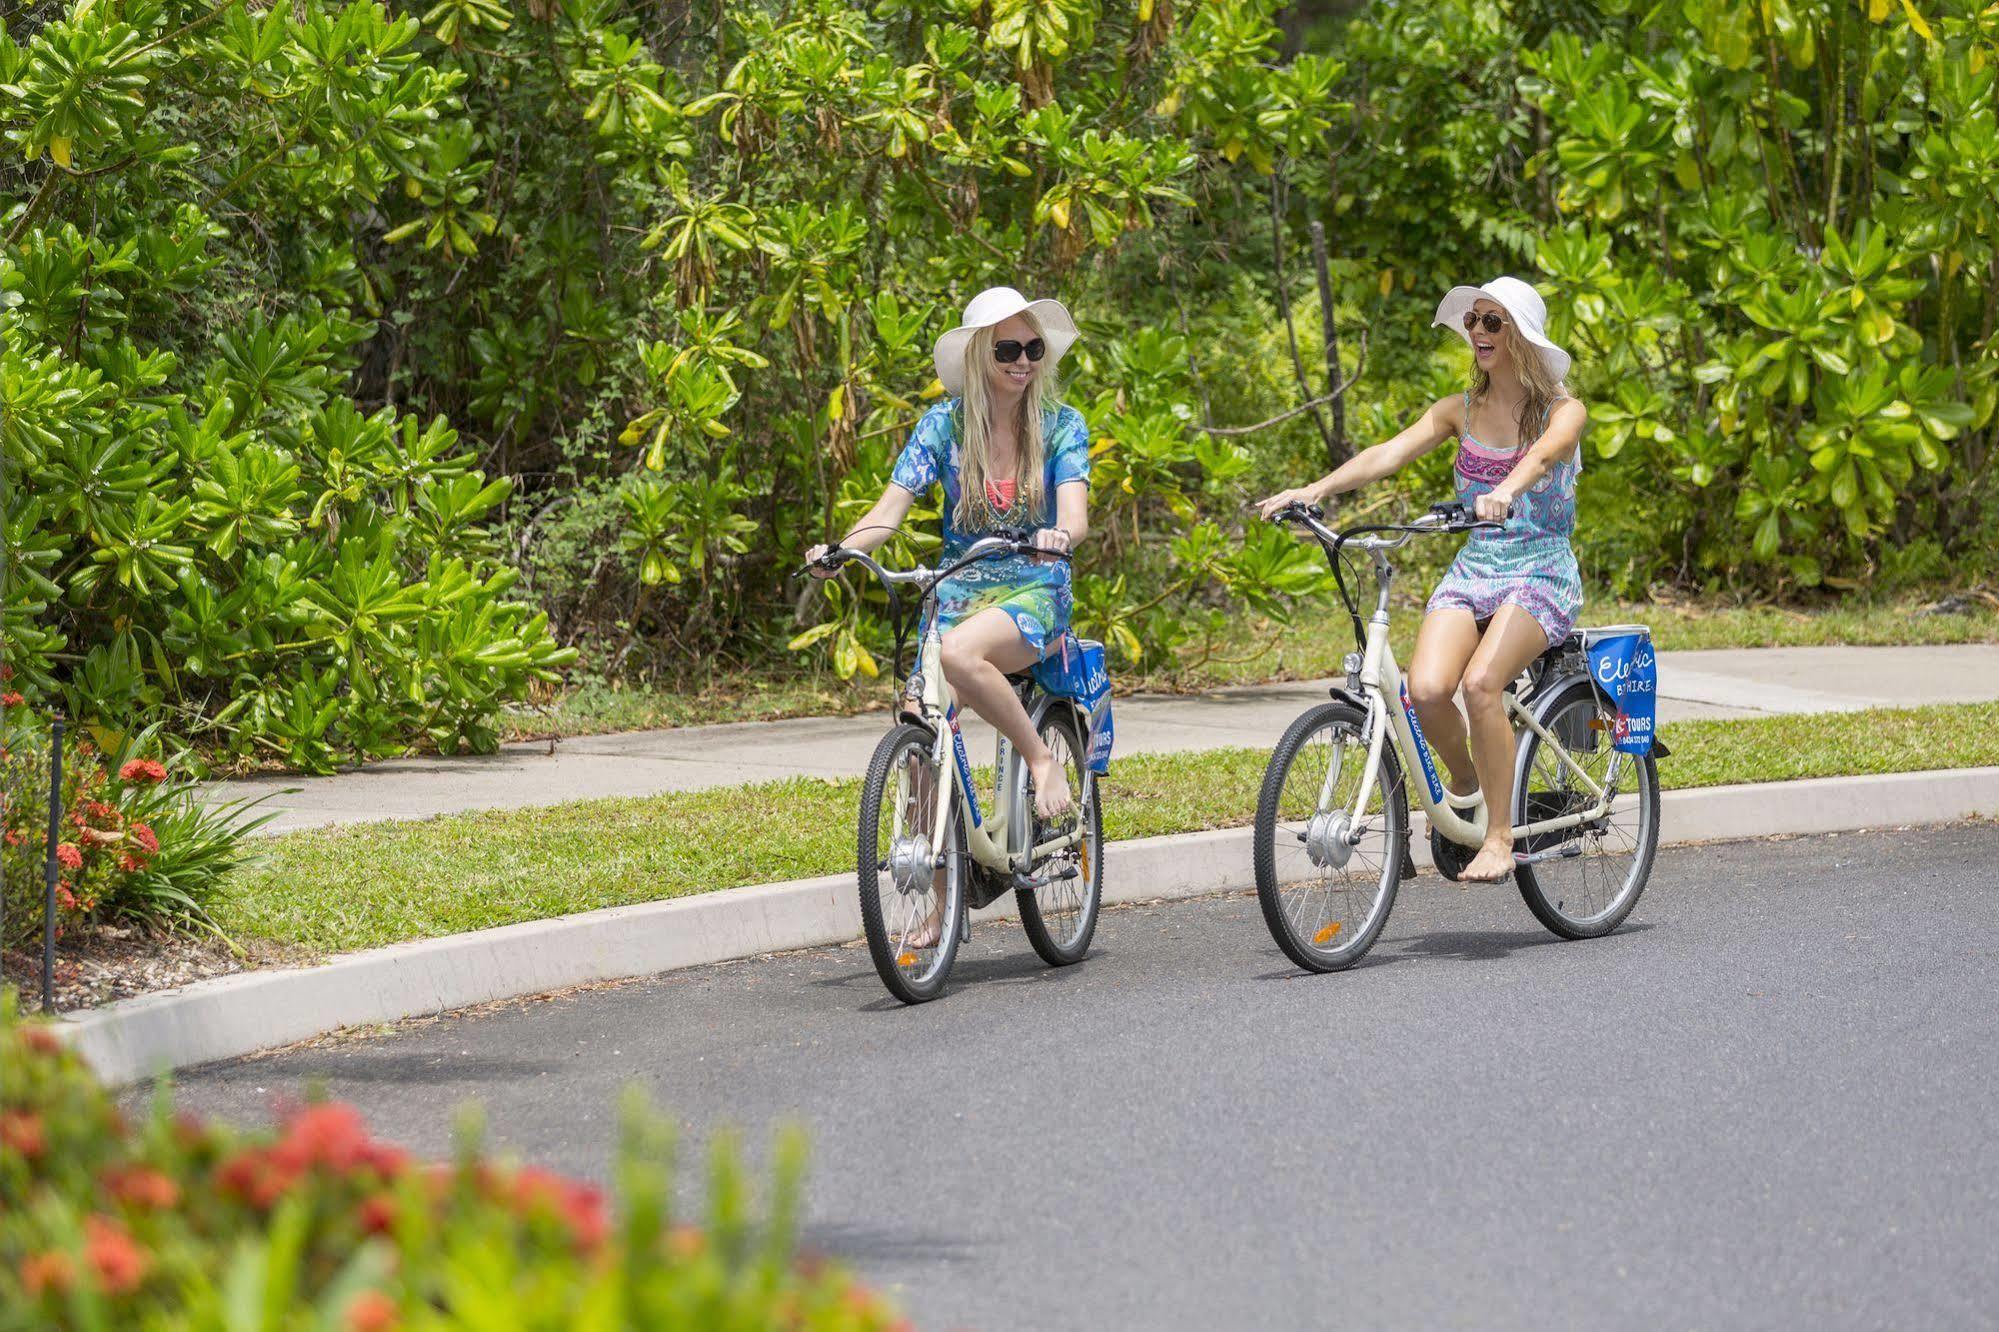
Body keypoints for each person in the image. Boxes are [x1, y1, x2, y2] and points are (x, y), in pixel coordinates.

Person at [1258, 276, 1587, 883]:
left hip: (1540, 568)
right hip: (1476, 566)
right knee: (1428, 690)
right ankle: (1466, 787)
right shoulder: (1457, 411)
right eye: (1474, 322)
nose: (1479, 332)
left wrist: (1506, 490)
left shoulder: (1563, 411)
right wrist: (1314, 490)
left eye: (1494, 321)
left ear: (1522, 334)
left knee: (1483, 684)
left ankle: (1498, 837)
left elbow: (1544, 456)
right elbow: (1389, 452)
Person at [810, 284, 1091, 858]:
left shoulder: (1063, 426)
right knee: (921, 728)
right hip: (956, 589)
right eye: (1007, 349)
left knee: (959, 655)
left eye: (1033, 350)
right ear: (978, 354)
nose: (1022, 363)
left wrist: (1056, 537)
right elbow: (888, 513)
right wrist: (838, 552)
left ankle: (1040, 761)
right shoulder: (941, 426)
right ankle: (933, 908)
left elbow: (1075, 517)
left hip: (1035, 587)